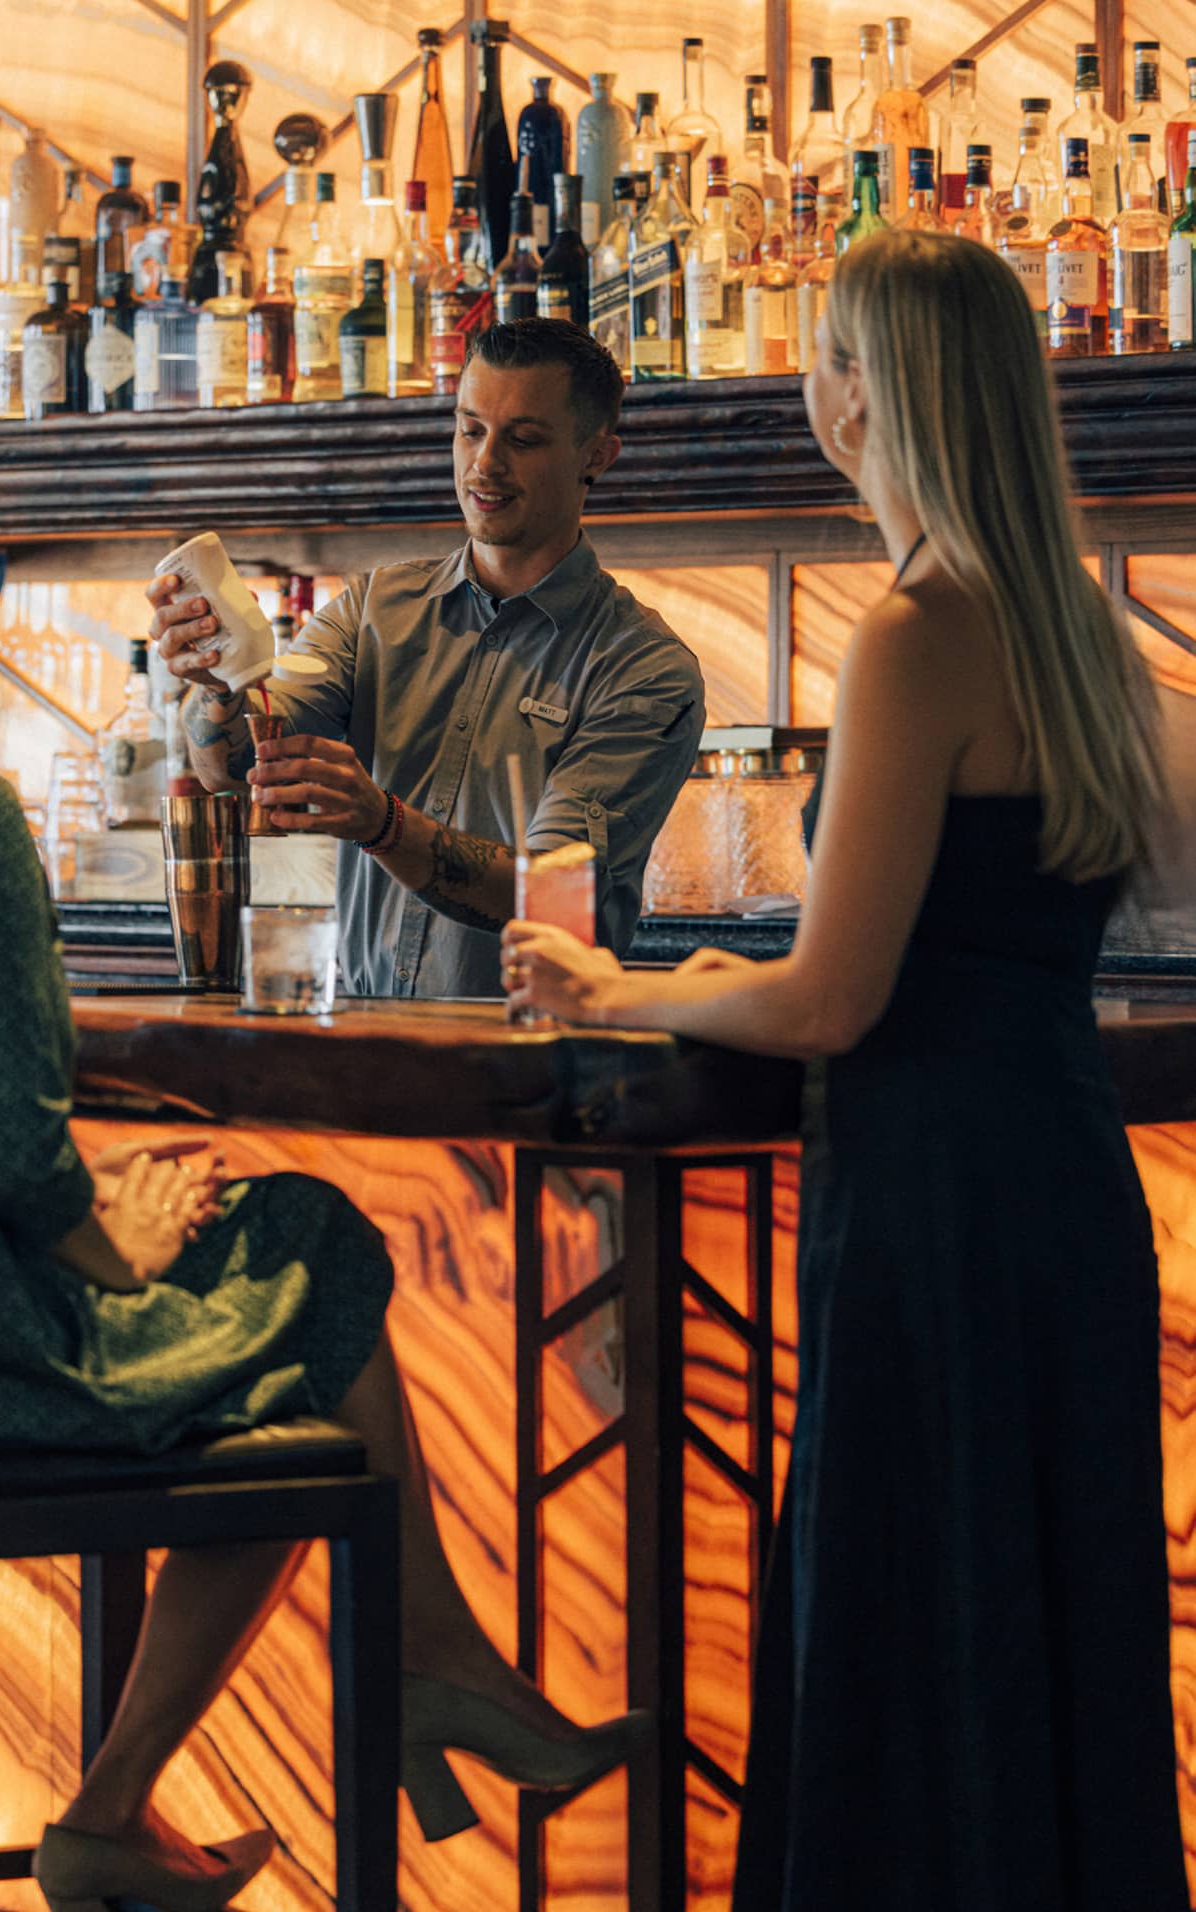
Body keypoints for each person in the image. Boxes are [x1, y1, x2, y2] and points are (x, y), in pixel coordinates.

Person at [0, 450, 646, 1912]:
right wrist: (114, 1245)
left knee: (290, 1275)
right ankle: (307, 1722)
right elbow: (11, 1148)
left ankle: (283, 1740)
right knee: (315, 1271)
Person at [504, 231, 1187, 1909]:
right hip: (1069, 1187)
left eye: (826, 351)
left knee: (907, 1627)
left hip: (935, 1206)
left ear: (861, 394)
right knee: (1050, 1632)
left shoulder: (914, 630)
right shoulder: (1092, 638)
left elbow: (831, 996)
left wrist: (627, 986)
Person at [148, 318, 705, 998]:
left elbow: (558, 894)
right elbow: (232, 766)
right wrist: (218, 684)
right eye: (470, 429)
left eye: (523, 439)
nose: (485, 464)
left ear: (596, 455)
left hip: (526, 1061)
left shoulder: (642, 666)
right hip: (367, 1039)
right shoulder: (373, 609)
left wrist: (383, 824)